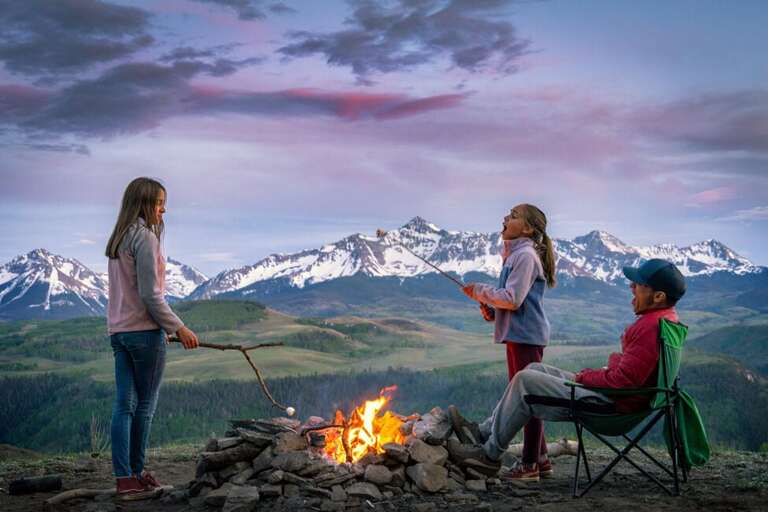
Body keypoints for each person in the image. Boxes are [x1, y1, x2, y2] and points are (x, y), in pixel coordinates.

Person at [449, 258, 686, 481]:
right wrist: (609, 367)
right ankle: (483, 432)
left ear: (658, 296)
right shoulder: (667, 320)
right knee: (534, 368)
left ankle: (488, 456)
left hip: (613, 406)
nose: (632, 287)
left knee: (524, 380)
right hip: (622, 399)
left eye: (639, 284)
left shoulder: (648, 328)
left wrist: (587, 375)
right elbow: (630, 375)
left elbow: (623, 381)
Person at [105, 177, 199, 498]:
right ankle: (138, 471)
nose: (163, 210)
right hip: (144, 334)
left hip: (119, 333)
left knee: (124, 405)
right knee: (144, 406)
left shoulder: (119, 238)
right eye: (159, 203)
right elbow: (150, 295)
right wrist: (177, 327)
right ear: (144, 203)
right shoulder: (145, 237)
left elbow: (128, 294)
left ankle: (125, 478)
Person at [457, 204, 556, 481]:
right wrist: (492, 310)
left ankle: (529, 465)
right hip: (520, 336)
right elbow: (513, 301)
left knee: (528, 399)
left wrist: (480, 291)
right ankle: (541, 459)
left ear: (527, 228)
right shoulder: (515, 255)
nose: (505, 218)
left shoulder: (524, 256)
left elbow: (512, 299)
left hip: (526, 337)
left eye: (513, 216)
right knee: (526, 396)